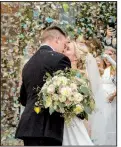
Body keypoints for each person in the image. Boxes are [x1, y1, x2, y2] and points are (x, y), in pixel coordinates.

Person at [15, 26, 71, 146]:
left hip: (28, 126)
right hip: (48, 127)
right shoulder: (60, 59)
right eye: (64, 44)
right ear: (57, 39)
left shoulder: (28, 64)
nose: (64, 49)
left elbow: (23, 99)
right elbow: (67, 93)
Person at [63, 40, 93, 145]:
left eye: (67, 49)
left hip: (74, 119)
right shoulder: (61, 73)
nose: (63, 50)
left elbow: (85, 102)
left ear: (76, 56)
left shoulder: (80, 76)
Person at [87, 48, 116, 145]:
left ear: (115, 55)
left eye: (110, 54)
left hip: (112, 99)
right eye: (105, 56)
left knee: (110, 122)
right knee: (102, 122)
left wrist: (113, 95)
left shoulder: (116, 68)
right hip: (102, 100)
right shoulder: (105, 70)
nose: (107, 58)